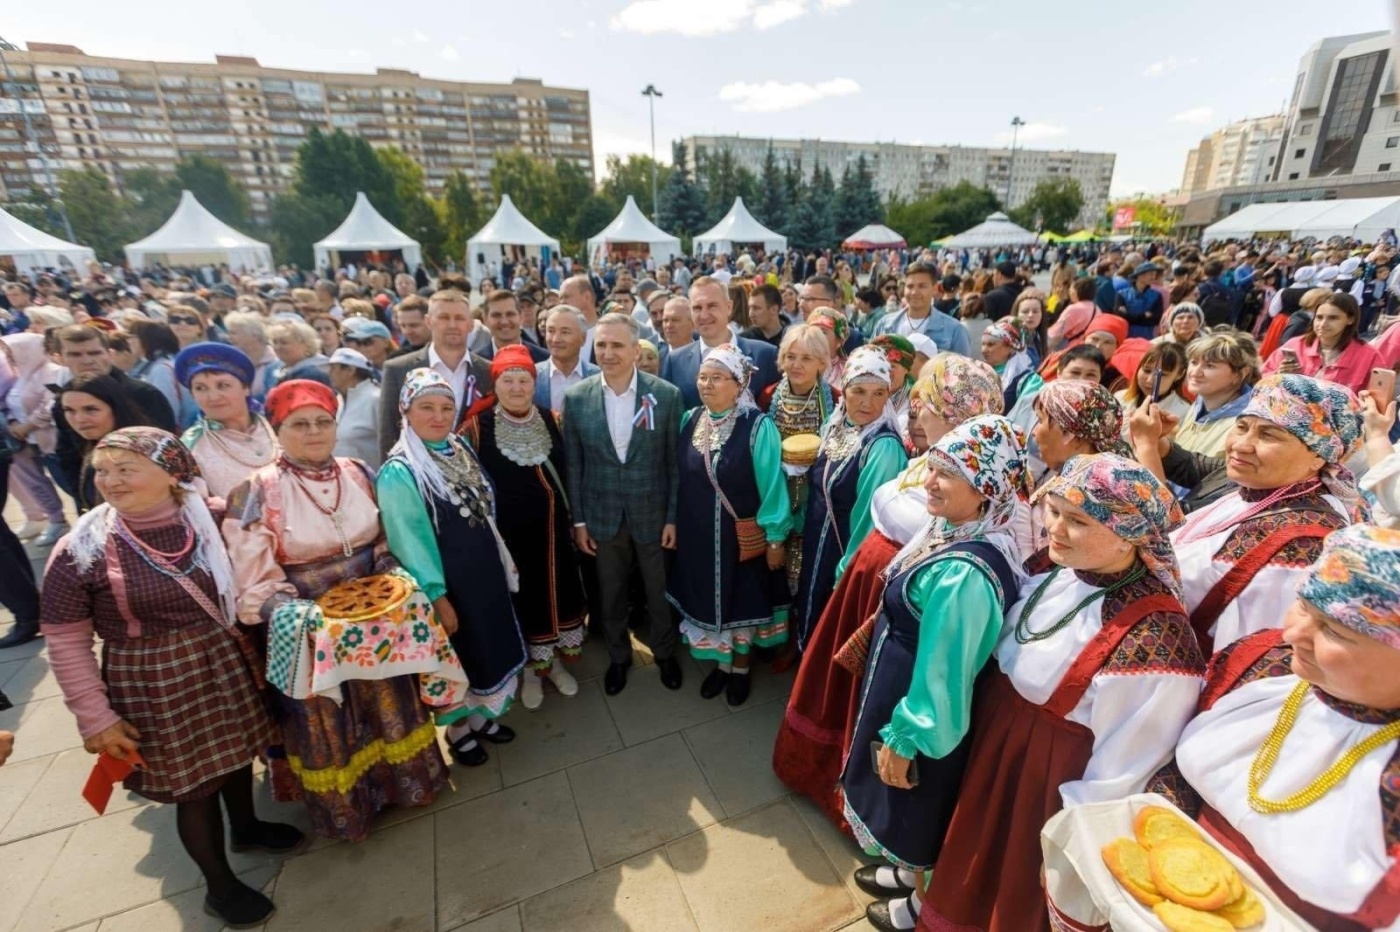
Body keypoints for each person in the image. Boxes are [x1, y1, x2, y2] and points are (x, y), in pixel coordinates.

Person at [918, 454, 1203, 932]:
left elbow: (1123, 770)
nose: (1055, 528)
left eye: (1078, 520)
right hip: (1000, 748)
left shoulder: (1155, 639)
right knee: (967, 854)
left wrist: (1070, 842)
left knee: (1007, 885)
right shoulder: (1060, 570)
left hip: (1042, 783)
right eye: (1053, 511)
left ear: (1129, 535)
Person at [42, 428, 302, 926]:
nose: (110, 481)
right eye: (102, 470)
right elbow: (65, 638)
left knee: (232, 755)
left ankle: (245, 827)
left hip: (221, 658)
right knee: (193, 785)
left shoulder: (209, 516)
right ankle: (219, 886)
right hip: (154, 678)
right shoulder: (83, 549)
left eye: (125, 468)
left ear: (172, 474)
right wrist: (95, 718)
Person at [773, 354, 1006, 829]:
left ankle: (855, 796)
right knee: (844, 689)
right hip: (870, 579)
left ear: (958, 413)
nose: (917, 413)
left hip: (893, 594)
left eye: (930, 406)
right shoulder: (929, 462)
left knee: (871, 695)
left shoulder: (978, 485)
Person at [1134, 524, 1400, 930]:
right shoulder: (1262, 664)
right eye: (1303, 606)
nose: (1293, 633)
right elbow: (1175, 759)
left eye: (1333, 630)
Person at [222, 380, 449, 840]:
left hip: (377, 617)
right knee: (328, 716)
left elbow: (383, 540)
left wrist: (394, 578)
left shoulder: (359, 470)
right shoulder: (254, 492)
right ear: (276, 429)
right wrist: (306, 617)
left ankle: (408, 787)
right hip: (308, 626)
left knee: (389, 702)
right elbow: (253, 583)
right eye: (299, 424)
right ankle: (350, 811)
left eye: (323, 422)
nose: (313, 432)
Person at [841, 416, 1029, 931]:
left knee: (918, 801)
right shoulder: (952, 528)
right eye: (933, 466)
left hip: (923, 709)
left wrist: (908, 739)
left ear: (986, 489)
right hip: (902, 684)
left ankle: (917, 905)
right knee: (905, 804)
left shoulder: (964, 574)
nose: (929, 480)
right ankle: (907, 873)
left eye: (949, 473)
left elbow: (945, 675)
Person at [1133, 373, 1363, 655]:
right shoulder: (1254, 490)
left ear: (1318, 455)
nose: (1242, 444)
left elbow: (1251, 655)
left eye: (1268, 435)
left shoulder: (1304, 545)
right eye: (1241, 427)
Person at [378, 369, 528, 762]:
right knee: (457, 654)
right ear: (405, 412)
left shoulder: (457, 445)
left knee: (485, 646)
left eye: (446, 407)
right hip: (449, 583)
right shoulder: (401, 471)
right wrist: (436, 597)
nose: (438, 416)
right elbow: (408, 542)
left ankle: (480, 717)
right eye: (426, 407)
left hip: (483, 572)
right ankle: (459, 731)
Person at [562, 313, 684, 696]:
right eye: (602, 345)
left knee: (658, 589)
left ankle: (665, 653)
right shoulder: (577, 398)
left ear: (636, 349)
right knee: (610, 591)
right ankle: (618, 657)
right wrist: (579, 521)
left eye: (617, 345)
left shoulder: (665, 395)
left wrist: (672, 517)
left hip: (652, 512)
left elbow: (673, 464)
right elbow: (574, 465)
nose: (609, 353)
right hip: (601, 514)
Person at [460, 346, 587, 712]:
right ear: (495, 384)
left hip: (555, 537)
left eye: (524, 380)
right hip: (511, 543)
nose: (517, 388)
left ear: (534, 383)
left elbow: (573, 474)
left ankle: (556, 663)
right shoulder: (475, 430)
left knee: (558, 596)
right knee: (525, 603)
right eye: (508, 380)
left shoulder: (553, 420)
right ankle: (531, 672)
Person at [667, 345, 791, 707]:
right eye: (703, 377)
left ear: (739, 384)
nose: (707, 384)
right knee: (708, 599)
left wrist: (775, 539)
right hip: (698, 537)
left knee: (741, 603)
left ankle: (740, 669)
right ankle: (721, 666)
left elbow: (772, 486)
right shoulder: (689, 419)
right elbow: (681, 478)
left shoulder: (758, 426)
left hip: (740, 542)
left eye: (717, 378)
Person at [792, 345, 908, 651]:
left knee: (833, 625)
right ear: (844, 390)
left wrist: (848, 570)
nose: (868, 403)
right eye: (858, 391)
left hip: (843, 551)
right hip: (818, 541)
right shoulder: (838, 425)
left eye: (878, 394)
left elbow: (870, 519)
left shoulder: (882, 447)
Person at [52, 324, 176, 499]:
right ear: (60, 359)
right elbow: (68, 456)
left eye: (94, 353)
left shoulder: (143, 394)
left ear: (109, 354)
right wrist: (84, 497)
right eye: (75, 354)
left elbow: (166, 451)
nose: (87, 361)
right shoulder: (65, 401)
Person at [379, 289, 494, 462]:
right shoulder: (397, 369)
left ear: (470, 324)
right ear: (428, 321)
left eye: (460, 318)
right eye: (444, 317)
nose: (453, 325)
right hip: (416, 474)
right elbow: (388, 433)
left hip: (476, 474)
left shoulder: (488, 371)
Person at [175, 343, 279, 502]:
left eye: (223, 385)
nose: (213, 397)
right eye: (201, 388)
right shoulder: (190, 447)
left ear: (246, 388)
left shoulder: (278, 426)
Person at [661, 277, 779, 408]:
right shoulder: (675, 361)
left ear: (729, 307)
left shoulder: (765, 355)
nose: (704, 315)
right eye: (697, 308)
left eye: (712, 306)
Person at [59, 373, 163, 512]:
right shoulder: (95, 447)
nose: (79, 419)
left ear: (116, 408)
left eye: (90, 409)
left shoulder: (146, 451)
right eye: (69, 410)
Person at [2, 332, 67, 547]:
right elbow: (8, 404)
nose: (8, 357)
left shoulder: (51, 373)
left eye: (12, 352)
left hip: (48, 439)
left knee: (64, 480)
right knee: (34, 482)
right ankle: (55, 519)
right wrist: (12, 424)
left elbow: (50, 404)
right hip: (22, 441)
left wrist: (27, 426)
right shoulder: (17, 376)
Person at [1263, 292, 1380, 394]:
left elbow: (1376, 402)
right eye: (1319, 317)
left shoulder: (1369, 356)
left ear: (1350, 319)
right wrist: (1278, 375)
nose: (1323, 324)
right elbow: (1262, 379)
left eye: (1333, 318)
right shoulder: (1295, 345)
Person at [1174, 329, 1260, 457]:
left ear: (1240, 374)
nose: (1195, 373)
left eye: (1210, 365)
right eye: (1194, 362)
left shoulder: (1244, 425)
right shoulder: (1199, 404)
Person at [873, 263, 972, 357]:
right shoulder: (885, 325)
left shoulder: (954, 330)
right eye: (910, 286)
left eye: (922, 286)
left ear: (935, 289)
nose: (914, 292)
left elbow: (963, 370)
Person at [533, 305, 598, 415]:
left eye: (565, 332)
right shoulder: (532, 376)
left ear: (583, 338)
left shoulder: (598, 377)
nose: (556, 339)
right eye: (551, 331)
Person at [1113, 339, 1190, 428]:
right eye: (1146, 370)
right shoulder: (1119, 397)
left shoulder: (1183, 411)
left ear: (1179, 374)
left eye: (1162, 375)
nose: (1150, 380)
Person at [327, 347, 381, 468]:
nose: (329, 373)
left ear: (350, 370)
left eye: (333, 368)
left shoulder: (376, 399)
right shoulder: (338, 400)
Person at [979, 318, 1037, 410]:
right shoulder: (978, 370)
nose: (984, 350)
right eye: (983, 344)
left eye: (991, 344)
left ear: (1009, 347)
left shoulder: (1025, 379)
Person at [479, 290, 549, 363]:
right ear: (485, 319)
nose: (504, 322)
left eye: (510, 314)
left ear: (521, 317)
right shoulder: (475, 364)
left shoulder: (544, 359)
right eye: (496, 315)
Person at [267, 319, 331, 387]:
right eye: (275, 342)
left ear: (306, 345)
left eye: (284, 342)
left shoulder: (312, 375)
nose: (278, 347)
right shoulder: (279, 370)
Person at [1114, 261, 1165, 339]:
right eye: (1150, 274)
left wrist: (1129, 315)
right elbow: (1120, 317)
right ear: (1140, 275)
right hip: (1125, 337)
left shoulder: (1157, 295)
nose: (1153, 277)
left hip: (1147, 337)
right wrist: (1144, 315)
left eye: (1154, 274)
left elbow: (1156, 319)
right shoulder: (1122, 294)